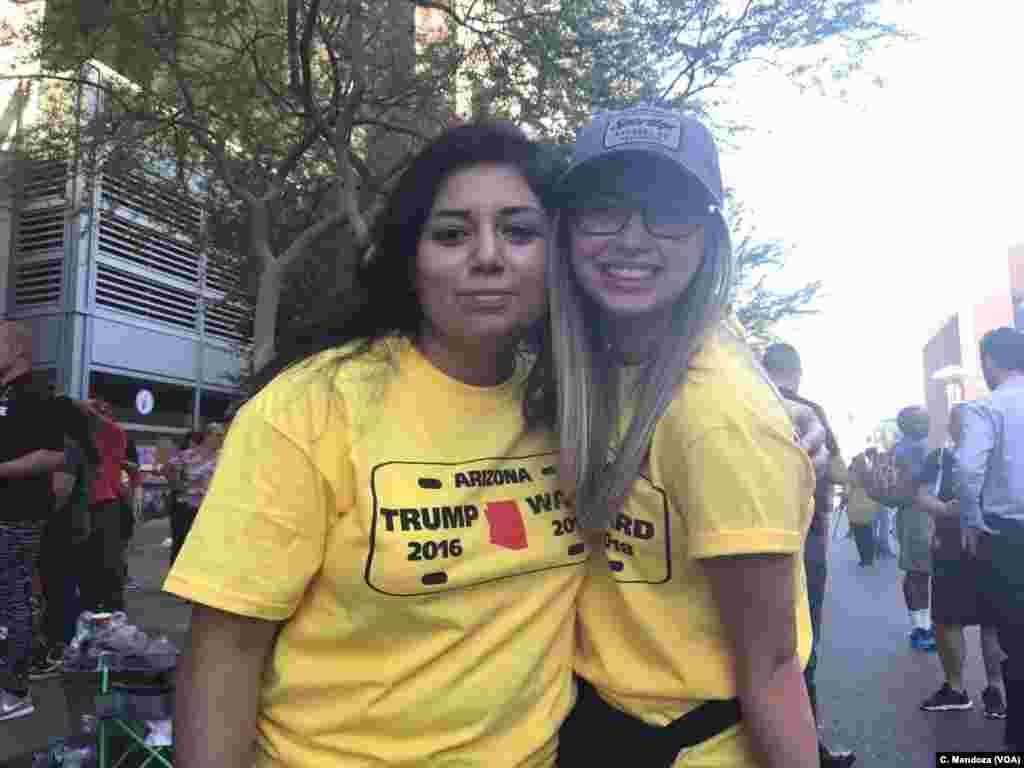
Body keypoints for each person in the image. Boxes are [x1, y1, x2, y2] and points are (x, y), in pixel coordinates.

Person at [164, 122, 587, 767]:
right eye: (451, 233)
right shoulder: (313, 406)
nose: (489, 256)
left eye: (520, 230)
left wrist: (789, 417)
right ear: (409, 259)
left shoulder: (573, 404)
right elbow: (224, 652)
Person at [547, 107, 818, 768]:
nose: (632, 240)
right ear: (568, 229)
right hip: (594, 724)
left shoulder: (721, 418)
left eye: (667, 212)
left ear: (707, 237)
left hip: (687, 747)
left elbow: (774, 668)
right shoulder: (594, 366)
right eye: (604, 210)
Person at [761, 342, 855, 768]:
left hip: (740, 537)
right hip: (801, 546)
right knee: (800, 647)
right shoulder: (807, 408)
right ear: (796, 372)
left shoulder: (745, 400)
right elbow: (836, 470)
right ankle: (809, 748)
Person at [915, 403, 1006, 717]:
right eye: (957, 422)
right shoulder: (939, 458)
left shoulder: (999, 456)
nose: (961, 427)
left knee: (993, 620)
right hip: (950, 547)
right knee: (947, 619)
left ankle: (996, 689)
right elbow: (922, 495)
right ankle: (957, 689)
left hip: (989, 544)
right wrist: (943, 510)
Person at [959, 327, 1024, 749]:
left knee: (1016, 638)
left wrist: (970, 517)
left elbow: (967, 469)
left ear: (989, 362)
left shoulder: (986, 407)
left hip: (1009, 535)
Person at [0, 321, 65, 720]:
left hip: (19, 516)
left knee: (14, 601)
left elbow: (55, 455)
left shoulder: (39, 393)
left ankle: (14, 692)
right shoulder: (4, 393)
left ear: (18, 349)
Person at [30, 396, 100, 679]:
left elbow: (59, 493)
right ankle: (63, 644)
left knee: (58, 590)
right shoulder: (77, 444)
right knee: (60, 588)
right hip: (70, 526)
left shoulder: (68, 447)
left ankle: (59, 648)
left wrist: (31, 513)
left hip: (62, 528)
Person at [892, 405, 936, 651]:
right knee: (919, 573)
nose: (926, 425)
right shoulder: (914, 449)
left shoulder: (904, 447)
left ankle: (921, 625)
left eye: (926, 420)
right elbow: (914, 484)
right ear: (907, 425)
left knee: (916, 572)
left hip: (914, 517)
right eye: (920, 421)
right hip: (918, 517)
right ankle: (922, 629)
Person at [79, 398, 128, 613]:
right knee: (90, 561)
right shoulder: (85, 435)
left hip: (104, 503)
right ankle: (93, 607)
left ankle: (112, 609)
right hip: (91, 503)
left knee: (107, 562)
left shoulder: (114, 433)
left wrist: (85, 409)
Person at [164, 423, 225, 567]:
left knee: (203, 546)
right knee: (181, 544)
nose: (221, 438)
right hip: (185, 507)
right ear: (207, 436)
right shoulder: (189, 454)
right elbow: (167, 468)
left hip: (209, 508)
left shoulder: (223, 457)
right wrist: (177, 485)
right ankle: (175, 581)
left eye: (222, 435)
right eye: (218, 435)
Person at [847, 452, 881, 566]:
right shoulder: (869, 473)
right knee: (867, 533)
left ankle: (863, 558)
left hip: (856, 506)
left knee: (859, 534)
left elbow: (848, 488)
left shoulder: (853, 473)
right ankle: (869, 558)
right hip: (868, 506)